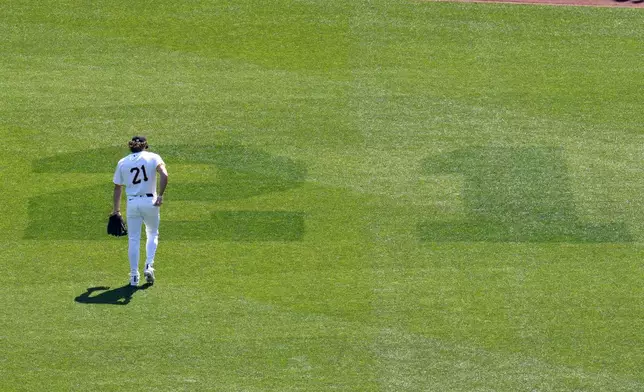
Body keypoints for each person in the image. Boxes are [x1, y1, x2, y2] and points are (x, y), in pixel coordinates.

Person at [112, 136, 168, 286]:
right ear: (145, 146)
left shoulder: (123, 162)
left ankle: (134, 277)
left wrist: (116, 211)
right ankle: (149, 265)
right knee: (152, 233)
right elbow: (164, 174)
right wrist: (160, 195)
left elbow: (118, 187)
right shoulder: (153, 157)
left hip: (132, 203)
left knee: (133, 239)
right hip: (150, 202)